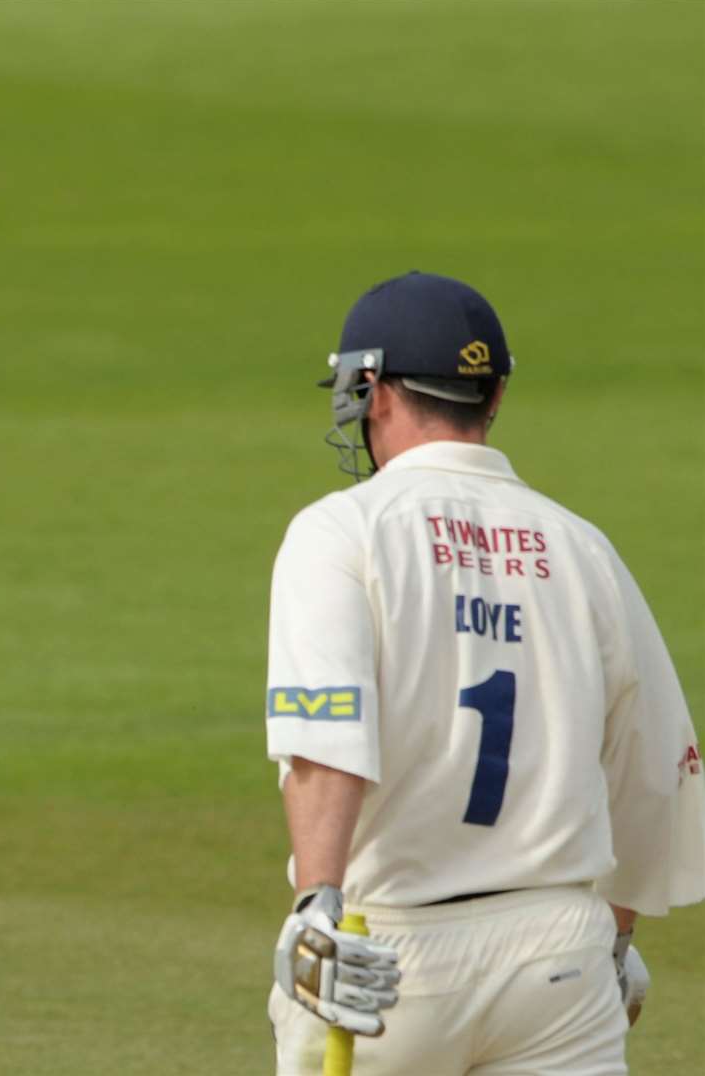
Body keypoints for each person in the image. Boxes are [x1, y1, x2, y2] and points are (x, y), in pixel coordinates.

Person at [264, 271, 703, 1074]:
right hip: (558, 962)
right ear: (493, 395)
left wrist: (315, 905)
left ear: (369, 388)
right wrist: (618, 935)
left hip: (383, 952)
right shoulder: (581, 548)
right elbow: (649, 766)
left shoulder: (341, 532)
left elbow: (324, 737)